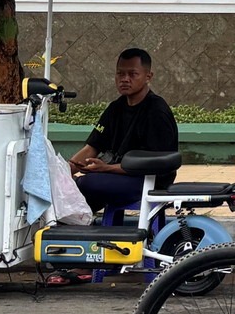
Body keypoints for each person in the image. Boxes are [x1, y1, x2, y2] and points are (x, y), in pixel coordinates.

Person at [68, 49, 178, 227]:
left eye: (133, 74)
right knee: (69, 187)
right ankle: (76, 230)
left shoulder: (156, 111)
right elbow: (92, 146)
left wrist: (107, 168)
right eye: (120, 73)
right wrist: (67, 170)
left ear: (148, 76)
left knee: (88, 183)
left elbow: (156, 165)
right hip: (118, 175)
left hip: (149, 180)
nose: (125, 79)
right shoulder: (115, 108)